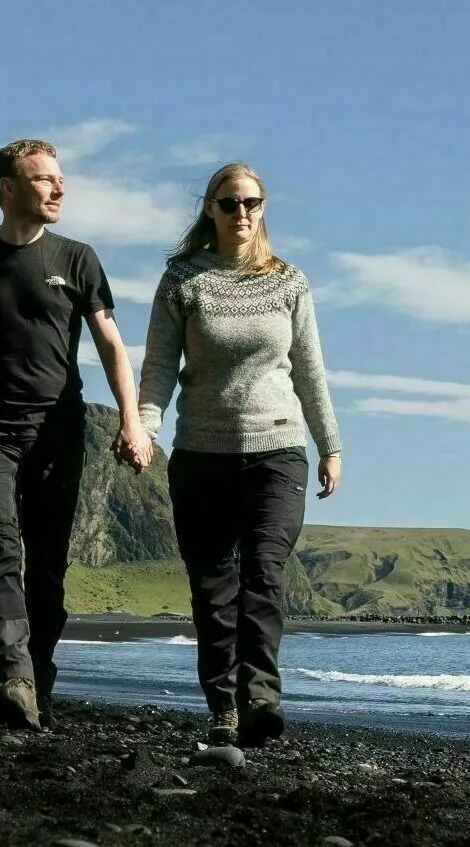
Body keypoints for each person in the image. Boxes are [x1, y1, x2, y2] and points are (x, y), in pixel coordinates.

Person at [0, 138, 151, 730]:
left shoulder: (77, 259)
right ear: (8, 189)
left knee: (47, 566)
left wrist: (131, 420)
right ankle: (12, 673)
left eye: (60, 178)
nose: (59, 188)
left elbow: (112, 345)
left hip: (58, 432)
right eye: (44, 179)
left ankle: (36, 671)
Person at [138, 162, 342, 748]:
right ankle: (223, 708)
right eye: (229, 203)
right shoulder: (182, 281)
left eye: (252, 202)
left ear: (263, 207)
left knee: (266, 573)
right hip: (202, 454)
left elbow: (310, 371)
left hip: (278, 450)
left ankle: (261, 697)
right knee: (212, 588)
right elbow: (158, 368)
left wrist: (331, 445)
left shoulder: (290, 283)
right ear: (210, 209)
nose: (242, 213)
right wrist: (145, 428)